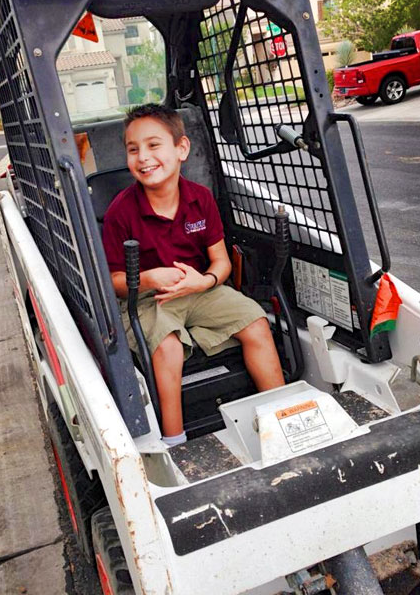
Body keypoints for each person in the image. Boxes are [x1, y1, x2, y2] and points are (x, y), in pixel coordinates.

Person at [102, 104, 284, 446]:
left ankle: (283, 415)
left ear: (181, 149)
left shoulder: (200, 199)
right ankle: (175, 442)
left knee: (257, 323)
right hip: (148, 298)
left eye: (154, 146)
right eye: (133, 149)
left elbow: (221, 262)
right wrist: (151, 278)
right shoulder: (120, 212)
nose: (143, 157)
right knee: (167, 348)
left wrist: (206, 281)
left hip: (200, 289)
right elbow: (113, 282)